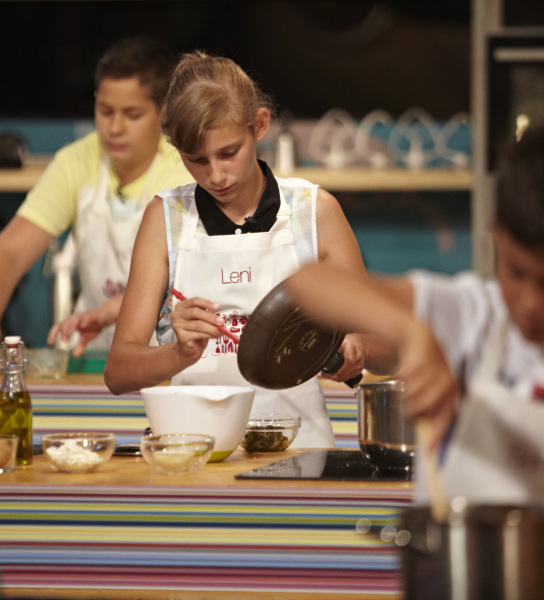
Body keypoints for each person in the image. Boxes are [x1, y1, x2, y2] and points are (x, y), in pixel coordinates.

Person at [284, 120, 544, 596]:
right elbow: (307, 285)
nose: (530, 303)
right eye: (515, 271)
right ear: (496, 235)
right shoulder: (472, 318)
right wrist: (414, 335)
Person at [104, 51, 388, 448]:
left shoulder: (313, 212)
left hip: (300, 450)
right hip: (195, 452)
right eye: (195, 159)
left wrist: (361, 348)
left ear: (259, 125)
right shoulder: (165, 219)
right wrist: (179, 354)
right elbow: (118, 373)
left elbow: (390, 348)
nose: (215, 175)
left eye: (228, 153)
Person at [0, 37, 192, 354]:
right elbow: (9, 252)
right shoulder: (74, 162)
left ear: (162, 112)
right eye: (105, 111)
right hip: (92, 351)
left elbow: (183, 280)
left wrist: (109, 311)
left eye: (132, 114)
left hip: (166, 354)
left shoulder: (183, 169)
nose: (115, 128)